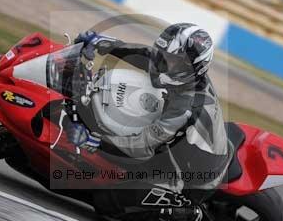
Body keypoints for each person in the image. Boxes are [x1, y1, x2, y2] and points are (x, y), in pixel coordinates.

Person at [66, 23, 230, 196]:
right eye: (163, 56)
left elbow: (143, 146)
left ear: (190, 66)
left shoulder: (187, 108)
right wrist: (104, 44)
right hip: (184, 143)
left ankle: (189, 212)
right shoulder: (187, 76)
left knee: (110, 198)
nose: (162, 64)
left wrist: (95, 141)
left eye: (171, 61)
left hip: (192, 177)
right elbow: (147, 56)